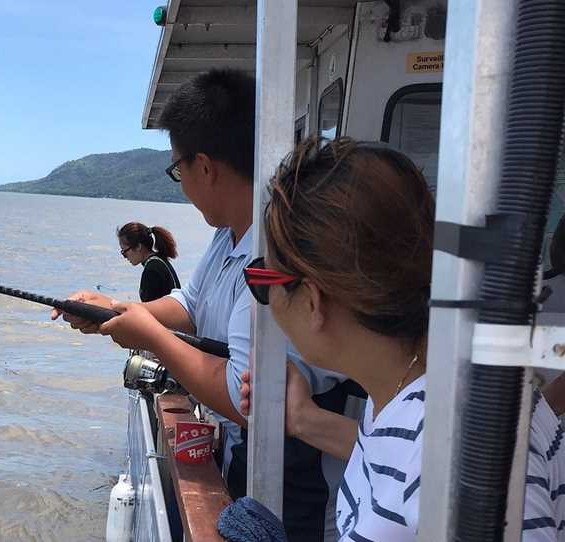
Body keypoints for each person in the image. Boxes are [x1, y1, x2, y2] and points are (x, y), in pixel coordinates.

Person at [53, 69, 346, 542]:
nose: (181, 183)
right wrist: (111, 307)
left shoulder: (276, 257)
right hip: (245, 468)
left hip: (296, 505)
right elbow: (190, 304)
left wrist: (149, 337)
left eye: (178, 169)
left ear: (204, 167)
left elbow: (245, 397)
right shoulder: (227, 235)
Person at [240, 136, 565, 540]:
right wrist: (304, 419)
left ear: (311, 300)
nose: (262, 298)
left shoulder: (454, 439)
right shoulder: (416, 394)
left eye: (262, 280)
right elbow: (399, 464)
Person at [117, 222, 180, 302]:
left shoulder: (152, 269)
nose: (125, 257)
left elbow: (149, 308)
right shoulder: (159, 260)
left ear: (138, 247)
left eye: (124, 251)